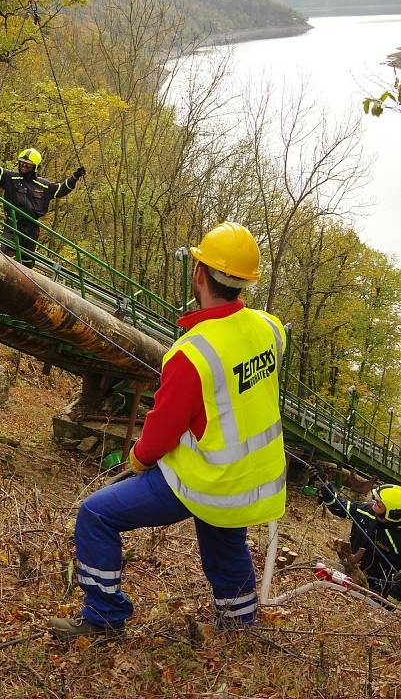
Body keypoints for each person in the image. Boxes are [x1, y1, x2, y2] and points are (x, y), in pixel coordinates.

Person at [47, 221, 287, 640]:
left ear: (199, 274)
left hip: (206, 480)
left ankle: (103, 618)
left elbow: (161, 432)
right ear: (246, 281)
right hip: (252, 480)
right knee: (224, 541)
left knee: (95, 515)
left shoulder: (192, 353)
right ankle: (239, 627)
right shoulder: (271, 328)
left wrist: (138, 458)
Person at [0, 139, 85, 267]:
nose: (24, 167)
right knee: (5, 254)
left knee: (27, 263)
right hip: (13, 225)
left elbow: (61, 189)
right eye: (22, 164)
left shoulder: (44, 185)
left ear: (35, 167)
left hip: (31, 229)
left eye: (28, 165)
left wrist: (74, 177)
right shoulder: (10, 178)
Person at [318, 479, 401, 600]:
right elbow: (337, 506)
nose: (373, 504)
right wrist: (325, 484)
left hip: (376, 591)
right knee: (319, 568)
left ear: (393, 513)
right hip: (348, 571)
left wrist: (391, 598)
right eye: (375, 499)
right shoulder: (366, 510)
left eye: (378, 504)